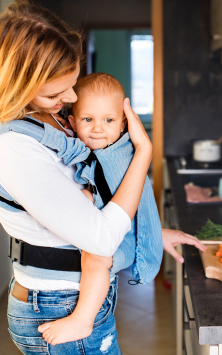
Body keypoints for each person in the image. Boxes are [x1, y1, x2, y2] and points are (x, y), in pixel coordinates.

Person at [0, 2, 206, 355]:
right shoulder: (11, 146)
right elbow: (100, 239)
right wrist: (143, 154)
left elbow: (87, 209)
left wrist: (145, 234)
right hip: (61, 304)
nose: (72, 99)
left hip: (73, 294)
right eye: (56, 93)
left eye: (72, 84)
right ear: (16, 84)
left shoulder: (49, 120)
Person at [37, 72, 161, 345]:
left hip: (125, 238)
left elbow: (126, 201)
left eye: (109, 120)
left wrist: (85, 196)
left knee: (95, 259)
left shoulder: (118, 156)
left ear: (123, 123)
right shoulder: (96, 150)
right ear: (72, 122)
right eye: (88, 119)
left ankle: (83, 319)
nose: (97, 129)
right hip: (114, 230)